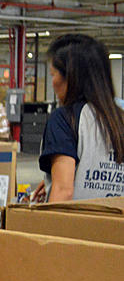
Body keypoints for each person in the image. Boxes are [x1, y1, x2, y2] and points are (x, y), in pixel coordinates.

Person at [35, 34, 124, 202]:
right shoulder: (119, 118)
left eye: (53, 74)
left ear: (70, 77)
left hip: (81, 226)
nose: (52, 82)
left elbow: (64, 191)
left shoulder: (64, 119)